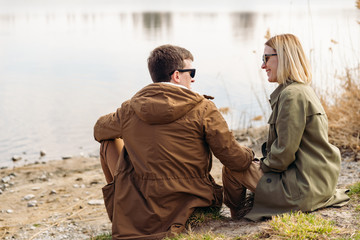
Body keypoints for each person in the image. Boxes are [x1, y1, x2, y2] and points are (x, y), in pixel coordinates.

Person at [93, 44, 254, 239]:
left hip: (142, 205)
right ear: (176, 76)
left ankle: (123, 206)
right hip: (193, 200)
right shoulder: (204, 108)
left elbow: (99, 129)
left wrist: (134, 129)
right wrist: (250, 154)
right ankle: (238, 213)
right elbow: (236, 159)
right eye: (191, 72)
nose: (193, 78)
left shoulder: (130, 109)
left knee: (108, 142)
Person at [222, 33, 350, 221]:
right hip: (317, 182)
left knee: (231, 168)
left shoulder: (291, 95)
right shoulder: (302, 89)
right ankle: (252, 204)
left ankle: (238, 216)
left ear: (283, 57)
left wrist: (263, 165)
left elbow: (283, 154)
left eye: (266, 58)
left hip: (302, 188)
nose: (263, 65)